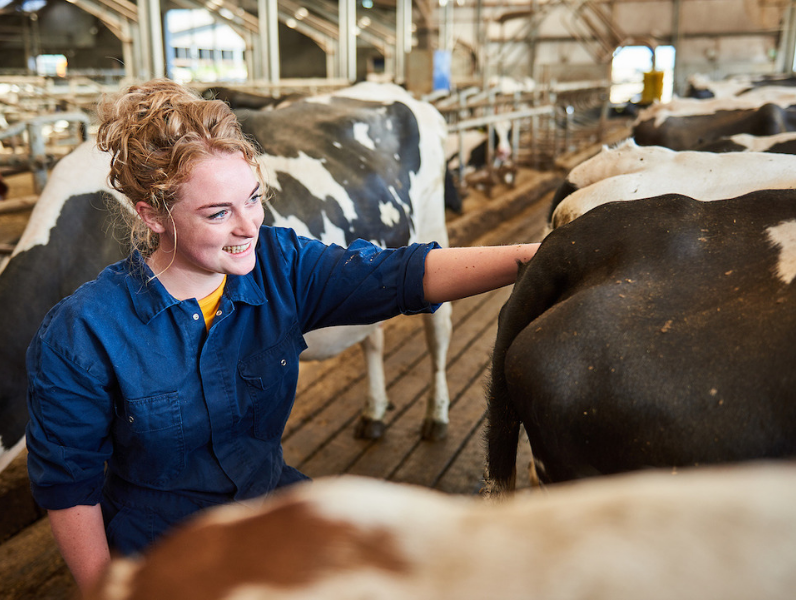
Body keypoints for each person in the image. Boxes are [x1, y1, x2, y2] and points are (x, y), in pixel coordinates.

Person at [25, 79, 540, 596]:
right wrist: (104, 591)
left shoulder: (279, 264)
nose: (249, 225)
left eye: (254, 198)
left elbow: (401, 274)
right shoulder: (82, 333)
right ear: (153, 215)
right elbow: (70, 487)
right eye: (218, 212)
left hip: (269, 515)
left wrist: (536, 258)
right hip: (162, 551)